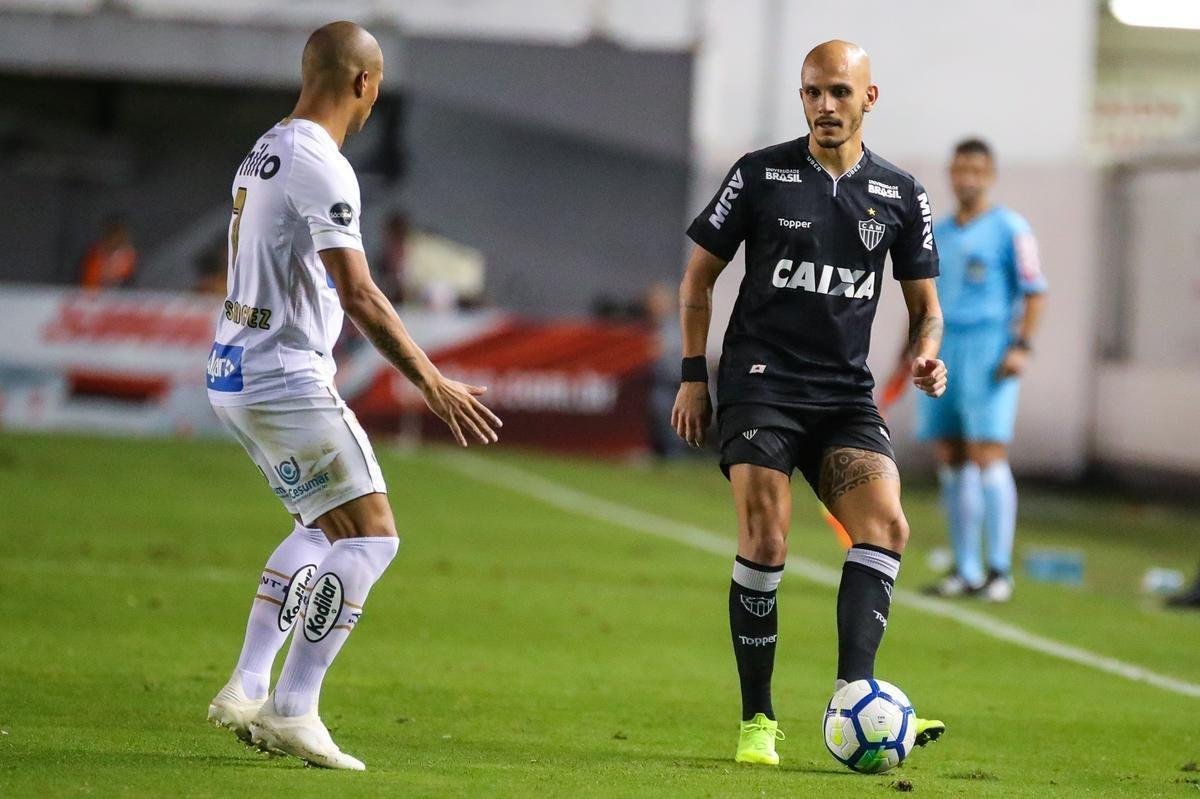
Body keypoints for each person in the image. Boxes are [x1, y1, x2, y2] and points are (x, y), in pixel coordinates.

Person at [204, 21, 501, 770]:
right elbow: (361, 292)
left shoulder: (265, 147)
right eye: (374, 92)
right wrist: (431, 381)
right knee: (371, 536)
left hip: (237, 367)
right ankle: (293, 707)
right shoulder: (322, 164)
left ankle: (245, 684)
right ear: (363, 84)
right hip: (282, 375)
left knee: (320, 526)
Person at [672, 40, 947, 767]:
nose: (825, 106)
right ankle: (757, 718)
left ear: (869, 98)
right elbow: (698, 277)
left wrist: (926, 351)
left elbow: (927, 307)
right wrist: (693, 374)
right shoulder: (760, 175)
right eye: (813, 93)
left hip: (843, 395)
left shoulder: (899, 194)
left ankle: (854, 694)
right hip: (762, 383)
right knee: (767, 538)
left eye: (839, 93)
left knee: (887, 525)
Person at [911, 139, 1047, 603]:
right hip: (943, 346)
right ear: (951, 173)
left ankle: (1000, 569)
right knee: (950, 455)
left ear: (989, 174)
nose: (967, 177)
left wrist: (1021, 345)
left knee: (988, 452)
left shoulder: (1011, 228)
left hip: (988, 348)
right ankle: (965, 567)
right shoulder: (940, 232)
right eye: (960, 168)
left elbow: (1035, 291)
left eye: (976, 169)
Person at [79, 215, 137, 289]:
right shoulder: (94, 253)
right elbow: (87, 280)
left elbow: (130, 282)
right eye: (112, 233)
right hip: (92, 296)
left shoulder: (129, 255)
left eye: (119, 234)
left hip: (120, 297)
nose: (116, 238)